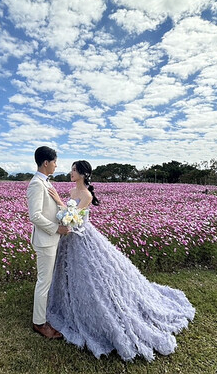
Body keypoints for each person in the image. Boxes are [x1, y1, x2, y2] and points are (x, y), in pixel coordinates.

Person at [46, 160, 196, 361]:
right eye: (72, 169)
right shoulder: (73, 192)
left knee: (95, 278)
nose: (71, 173)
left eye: (74, 170)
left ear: (83, 174)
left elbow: (74, 218)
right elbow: (69, 218)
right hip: (71, 239)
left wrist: (57, 200)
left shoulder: (86, 195)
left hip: (83, 238)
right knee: (70, 277)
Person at [26, 146, 70, 339]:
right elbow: (34, 216)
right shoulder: (36, 183)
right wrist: (56, 229)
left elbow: (51, 209)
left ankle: (42, 316)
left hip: (51, 239)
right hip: (46, 241)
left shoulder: (45, 183)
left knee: (47, 281)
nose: (56, 165)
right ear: (46, 163)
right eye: (54, 162)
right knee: (44, 282)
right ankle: (39, 323)